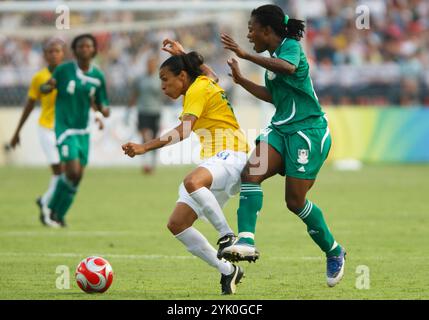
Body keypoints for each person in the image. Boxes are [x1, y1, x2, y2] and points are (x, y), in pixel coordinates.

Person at [219, 4, 346, 287]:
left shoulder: (291, 48)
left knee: (295, 202)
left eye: (252, 29)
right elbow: (274, 97)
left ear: (267, 30)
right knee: (251, 173)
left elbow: (288, 68)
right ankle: (247, 239)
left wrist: (245, 55)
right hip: (281, 129)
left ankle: (334, 250)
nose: (249, 34)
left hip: (308, 133)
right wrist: (241, 81)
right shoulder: (274, 55)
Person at [122, 39, 249, 295]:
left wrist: (144, 147)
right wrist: (184, 55)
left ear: (182, 76)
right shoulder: (203, 82)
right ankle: (228, 270)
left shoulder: (196, 90)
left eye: (165, 78)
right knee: (177, 224)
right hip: (219, 162)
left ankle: (227, 237)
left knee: (192, 182)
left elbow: (184, 130)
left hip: (233, 154)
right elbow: (211, 74)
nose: (162, 85)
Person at [41, 34, 110, 227]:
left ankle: (58, 214)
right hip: (65, 128)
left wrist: (103, 111)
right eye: (80, 46)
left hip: (83, 130)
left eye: (88, 46)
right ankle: (50, 207)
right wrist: (46, 86)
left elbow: (100, 100)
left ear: (94, 50)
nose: (84, 49)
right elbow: (48, 86)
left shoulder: (97, 76)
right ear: (74, 50)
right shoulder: (64, 70)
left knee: (78, 175)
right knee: (71, 170)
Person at [9, 38, 65, 227]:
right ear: (44, 55)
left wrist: (95, 114)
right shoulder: (39, 77)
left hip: (65, 129)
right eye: (50, 51)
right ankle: (49, 206)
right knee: (59, 170)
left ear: (62, 53)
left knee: (66, 173)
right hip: (46, 128)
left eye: (57, 51)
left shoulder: (69, 73)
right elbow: (30, 104)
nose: (54, 54)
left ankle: (46, 202)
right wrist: (17, 132)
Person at [126, 53, 164, 174]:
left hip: (156, 111)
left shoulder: (160, 79)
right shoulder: (140, 79)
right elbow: (135, 94)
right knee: (145, 136)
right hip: (143, 111)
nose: (150, 66)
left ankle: (152, 163)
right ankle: (145, 163)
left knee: (154, 138)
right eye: (149, 64)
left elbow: (167, 92)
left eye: (152, 64)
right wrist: (129, 109)